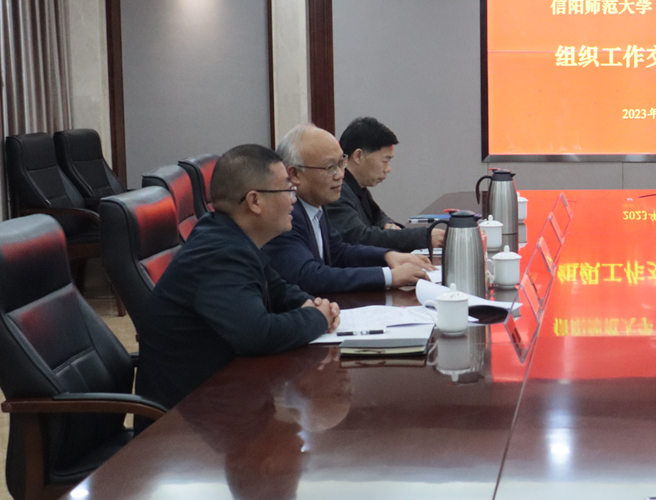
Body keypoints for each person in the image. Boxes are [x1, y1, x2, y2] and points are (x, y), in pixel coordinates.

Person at [137, 144, 339, 410]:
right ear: (254, 201)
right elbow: (258, 334)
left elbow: (277, 287)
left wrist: (305, 302)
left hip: (219, 400)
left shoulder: (229, 236)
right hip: (186, 418)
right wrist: (317, 317)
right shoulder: (220, 254)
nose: (294, 199)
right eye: (287, 189)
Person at [265, 124, 432, 295]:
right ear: (295, 174)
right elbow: (309, 276)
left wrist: (388, 256)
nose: (340, 175)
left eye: (341, 164)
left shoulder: (315, 205)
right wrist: (388, 276)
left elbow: (339, 252)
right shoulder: (284, 215)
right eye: (330, 167)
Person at [329, 116, 445, 254]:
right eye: (385, 161)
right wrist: (424, 237)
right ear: (358, 156)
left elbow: (379, 217)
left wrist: (388, 225)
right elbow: (360, 238)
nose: (389, 169)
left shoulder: (357, 187)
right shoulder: (337, 190)